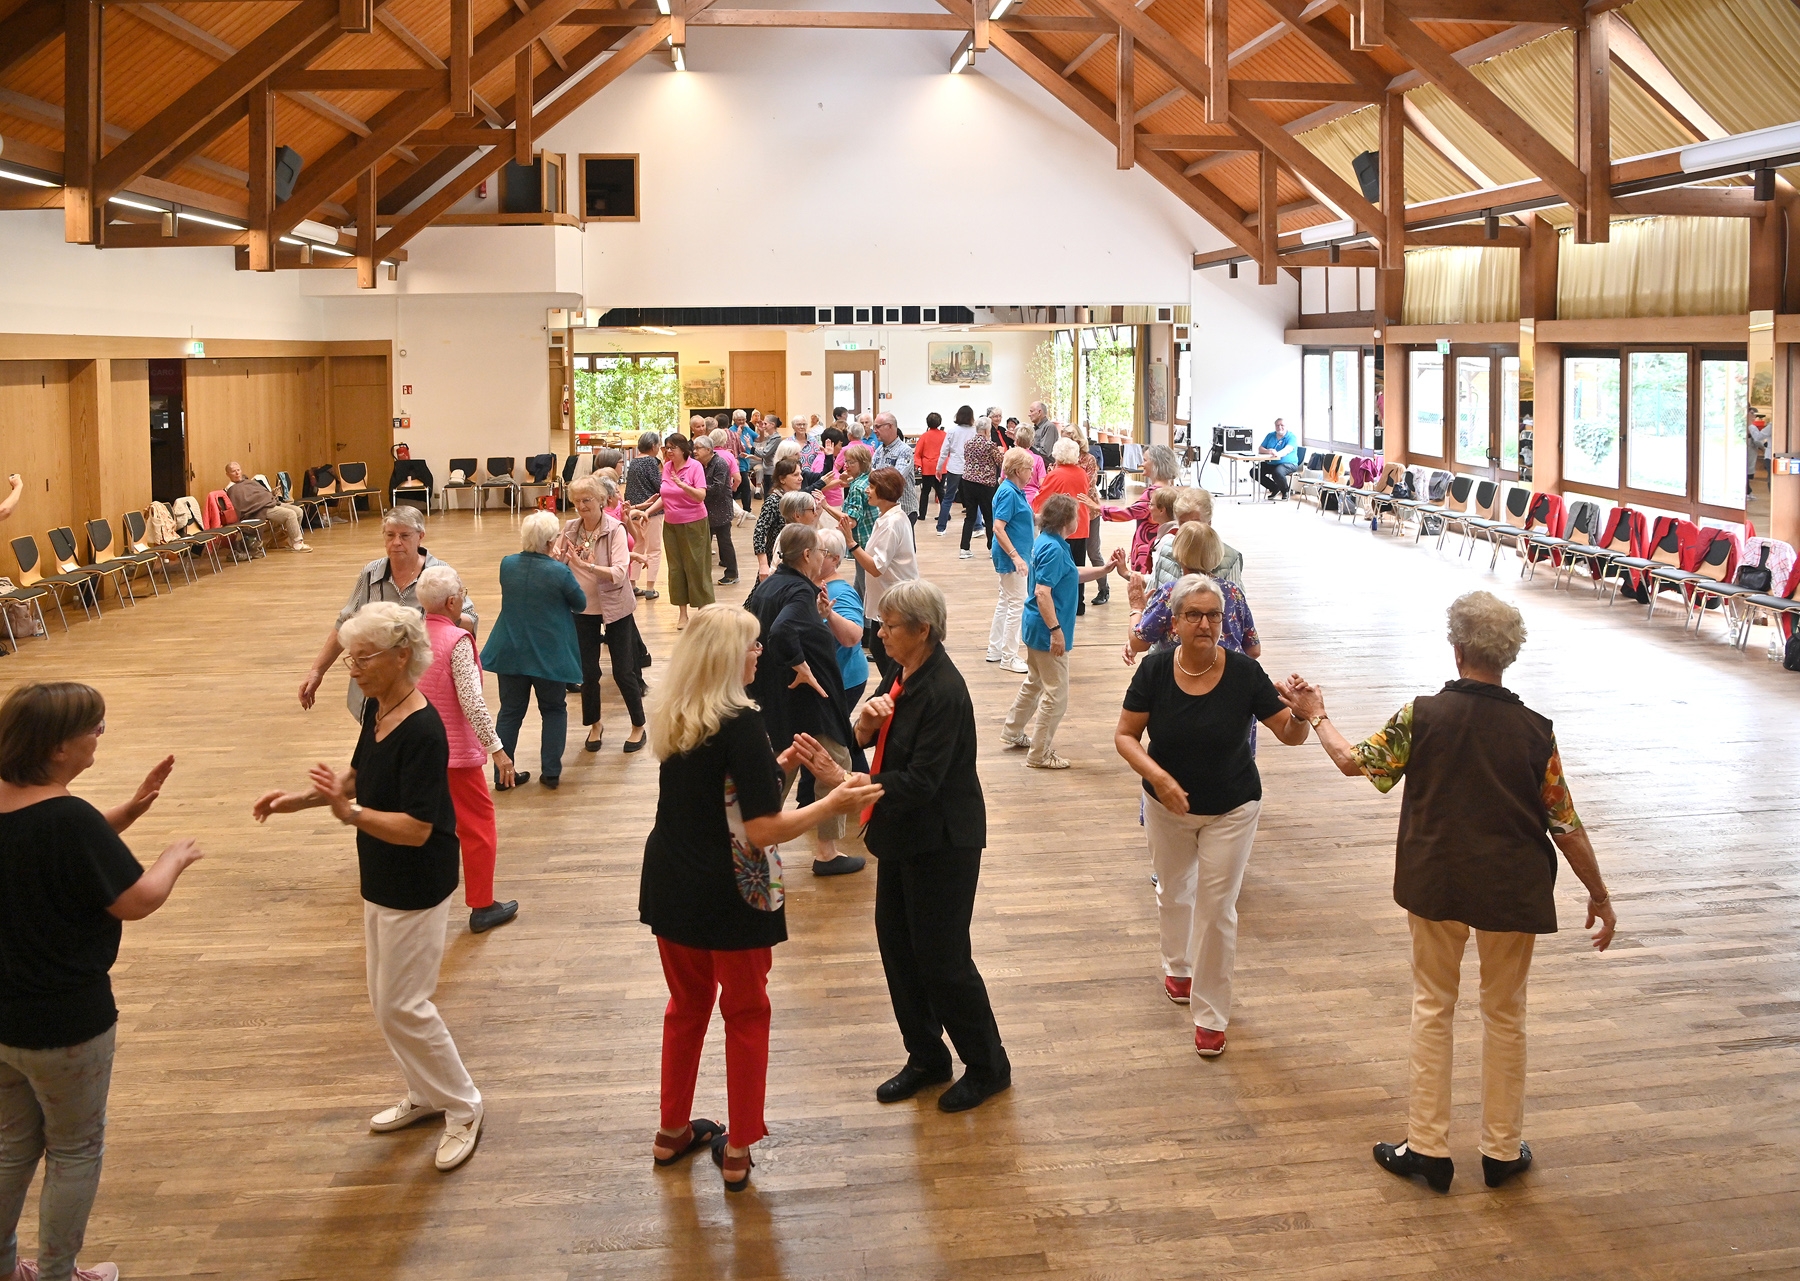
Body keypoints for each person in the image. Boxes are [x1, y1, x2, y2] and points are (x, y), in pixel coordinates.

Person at [1277, 591, 1616, 1194]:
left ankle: (1428, 1149)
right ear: (1507, 656)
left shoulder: (1422, 715)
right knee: (1506, 1014)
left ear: (1457, 649)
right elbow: (1565, 824)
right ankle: (1502, 1151)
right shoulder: (1536, 732)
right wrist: (1599, 894)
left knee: (1433, 1006)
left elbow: (1354, 763)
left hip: (1437, 879)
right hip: (1512, 889)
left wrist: (1316, 712)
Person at [640, 605, 879, 1194]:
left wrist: (774, 766)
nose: (759, 653)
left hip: (672, 883)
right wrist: (831, 803)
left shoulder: (678, 712)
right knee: (746, 1014)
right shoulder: (741, 722)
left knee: (685, 1007)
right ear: (727, 657)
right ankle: (739, 1147)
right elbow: (763, 828)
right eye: (750, 645)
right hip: (733, 893)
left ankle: (671, 1131)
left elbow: (716, 792)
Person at [255, 603, 484, 1173]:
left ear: (401, 656)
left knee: (406, 1003)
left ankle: (464, 1105)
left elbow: (418, 828)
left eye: (363, 658)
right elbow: (357, 777)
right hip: (381, 874)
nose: (352, 669)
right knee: (386, 1004)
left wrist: (349, 814)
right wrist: (297, 801)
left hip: (418, 881)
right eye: (350, 658)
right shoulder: (379, 710)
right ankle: (425, 1092)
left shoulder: (424, 730)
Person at [0, 683, 200, 1281]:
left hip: (4, 1019)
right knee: (74, 1149)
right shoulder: (70, 819)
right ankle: (59, 1275)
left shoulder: (25, 808)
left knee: (11, 1146)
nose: (100, 736)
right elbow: (135, 900)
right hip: (67, 1023)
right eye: (93, 727)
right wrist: (173, 857)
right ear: (58, 748)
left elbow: (47, 847)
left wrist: (128, 812)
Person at [1112, 575, 1312, 1058]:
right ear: (1175, 622)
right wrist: (1159, 778)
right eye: (1195, 615)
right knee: (1173, 891)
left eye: (1214, 616)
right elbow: (1125, 736)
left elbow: (1290, 735)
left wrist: (1303, 714)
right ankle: (1177, 966)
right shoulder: (1155, 670)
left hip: (1233, 807)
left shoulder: (1244, 673)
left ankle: (1210, 1015)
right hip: (1167, 808)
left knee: (1218, 909)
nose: (1205, 624)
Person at [856, 580, 1010, 1113]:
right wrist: (863, 728)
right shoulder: (902, 670)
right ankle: (926, 1057)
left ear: (923, 630)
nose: (880, 634)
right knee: (899, 951)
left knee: (943, 960)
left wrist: (851, 783)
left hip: (943, 841)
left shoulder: (945, 691)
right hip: (901, 834)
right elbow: (877, 738)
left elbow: (922, 781)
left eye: (890, 626)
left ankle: (988, 1066)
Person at [744, 523, 866, 877]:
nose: (823, 558)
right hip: (807, 699)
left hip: (778, 695)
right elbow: (782, 631)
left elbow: (759, 625)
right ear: (808, 554)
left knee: (785, 764)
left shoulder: (770, 585)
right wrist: (801, 666)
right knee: (832, 762)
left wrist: (819, 615)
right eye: (821, 552)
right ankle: (826, 853)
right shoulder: (799, 590)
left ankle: (755, 841)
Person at [415, 566, 519, 934]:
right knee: (477, 826)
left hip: (418, 749)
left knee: (426, 825)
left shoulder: (411, 636)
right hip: (455, 754)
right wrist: (497, 749)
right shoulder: (458, 641)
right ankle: (482, 904)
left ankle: (422, 902)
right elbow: (471, 700)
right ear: (451, 602)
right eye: (462, 592)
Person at [299, 506, 476, 718]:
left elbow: (470, 620)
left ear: (420, 536)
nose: (396, 542)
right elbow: (344, 624)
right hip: (375, 688)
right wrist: (317, 671)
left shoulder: (441, 574)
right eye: (390, 535)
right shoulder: (370, 573)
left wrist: (441, 617)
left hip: (423, 686)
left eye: (404, 536)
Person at [1001, 494, 1122, 769]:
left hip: (1035, 625)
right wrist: (1056, 631)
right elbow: (1042, 593)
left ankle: (1012, 730)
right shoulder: (1054, 548)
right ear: (1067, 520)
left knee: (1035, 682)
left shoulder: (1050, 542)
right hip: (1046, 629)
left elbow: (1069, 574)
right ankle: (1039, 754)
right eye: (1076, 515)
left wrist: (1103, 569)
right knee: (1056, 696)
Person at [481, 511, 586, 790]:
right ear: (551, 541)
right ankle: (550, 772)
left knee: (510, 712)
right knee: (553, 709)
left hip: (510, 650)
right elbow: (580, 603)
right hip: (547, 655)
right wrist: (562, 566)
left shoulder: (507, 564)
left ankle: (502, 776)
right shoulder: (559, 572)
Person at [556, 477, 649, 755]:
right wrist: (557, 558)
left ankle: (638, 725)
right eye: (576, 501)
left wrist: (587, 565)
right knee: (588, 672)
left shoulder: (614, 529)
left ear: (600, 501)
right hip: (581, 609)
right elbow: (559, 563)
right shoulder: (570, 529)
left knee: (623, 671)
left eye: (587, 500)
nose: (581, 506)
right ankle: (594, 725)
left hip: (615, 607)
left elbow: (619, 573)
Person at [1128, 523, 1258, 664]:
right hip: (1231, 671)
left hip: (1185, 671)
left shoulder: (1171, 593)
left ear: (1178, 553)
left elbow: (1138, 643)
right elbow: (1254, 650)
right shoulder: (1234, 591)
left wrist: (1136, 608)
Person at [844, 467, 916, 680]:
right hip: (887, 599)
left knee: (889, 657)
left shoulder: (892, 523)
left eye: (872, 486)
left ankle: (896, 693)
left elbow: (876, 567)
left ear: (884, 490)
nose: (867, 490)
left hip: (895, 600)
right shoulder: (887, 517)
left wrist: (851, 543)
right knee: (879, 648)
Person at [1031, 437, 1103, 616]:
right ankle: (1079, 604)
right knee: (1078, 565)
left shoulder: (1055, 474)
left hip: (1061, 527)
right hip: (1080, 523)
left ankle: (1060, 604)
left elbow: (1043, 500)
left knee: (1060, 567)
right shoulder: (1081, 473)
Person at [985, 447, 1036, 674]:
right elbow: (998, 527)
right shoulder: (1008, 492)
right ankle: (1009, 656)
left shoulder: (1015, 491)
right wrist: (1016, 556)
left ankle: (996, 649)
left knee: (1006, 601)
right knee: (1017, 604)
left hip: (1015, 555)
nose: (1031, 473)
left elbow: (1025, 520)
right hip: (1012, 557)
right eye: (1029, 469)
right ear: (1017, 470)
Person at [1102, 444, 1181, 574]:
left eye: (1145, 460)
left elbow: (1130, 513)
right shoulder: (1171, 490)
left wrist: (1100, 509)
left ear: (1156, 464)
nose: (1141, 464)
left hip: (1149, 549)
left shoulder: (1152, 493)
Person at [813, 527, 868, 707]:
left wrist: (829, 614)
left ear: (835, 559)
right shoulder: (815, 583)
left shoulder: (842, 593)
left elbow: (852, 637)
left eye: (820, 552)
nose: (811, 556)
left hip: (843, 680)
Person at [1152, 489, 1244, 587]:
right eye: (1183, 524)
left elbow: (1235, 595)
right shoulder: (1166, 549)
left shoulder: (1231, 557)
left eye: (1196, 523)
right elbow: (1153, 589)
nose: (1190, 530)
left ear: (1209, 523)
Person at [224, 461, 310, 552]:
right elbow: (244, 504)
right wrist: (263, 501)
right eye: (233, 471)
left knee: (299, 511)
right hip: (260, 509)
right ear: (227, 474)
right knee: (290, 514)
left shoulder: (247, 482)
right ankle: (297, 544)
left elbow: (260, 493)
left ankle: (284, 540)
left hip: (268, 503)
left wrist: (271, 494)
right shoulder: (232, 489)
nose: (237, 473)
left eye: (238, 470)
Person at [693, 434, 741, 587]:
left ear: (708, 450)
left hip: (721, 509)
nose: (695, 451)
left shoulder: (719, 463)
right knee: (703, 543)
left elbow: (717, 487)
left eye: (698, 448)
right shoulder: (700, 464)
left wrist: (697, 489)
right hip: (706, 509)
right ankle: (702, 575)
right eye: (694, 448)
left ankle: (732, 574)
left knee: (724, 543)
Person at [625, 432, 665, 600]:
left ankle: (633, 584)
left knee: (638, 546)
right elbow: (660, 486)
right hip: (651, 512)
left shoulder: (634, 462)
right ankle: (650, 588)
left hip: (634, 512)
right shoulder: (651, 462)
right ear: (654, 446)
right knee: (654, 549)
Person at [957, 421, 1003, 559]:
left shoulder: (968, 443)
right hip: (985, 484)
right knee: (989, 517)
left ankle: (964, 548)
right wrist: (1001, 452)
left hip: (968, 482)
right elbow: (1000, 462)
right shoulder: (990, 445)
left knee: (970, 516)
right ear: (987, 430)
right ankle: (991, 548)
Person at [753, 459, 804, 581]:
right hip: (776, 564)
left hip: (795, 561)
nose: (801, 478)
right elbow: (759, 533)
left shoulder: (797, 499)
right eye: (795, 475)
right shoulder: (773, 501)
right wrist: (763, 564)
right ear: (782, 479)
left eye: (800, 474)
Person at [867, 414, 918, 527]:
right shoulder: (879, 451)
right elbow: (871, 476)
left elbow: (895, 479)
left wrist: (874, 476)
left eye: (877, 427)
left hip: (904, 509)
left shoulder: (904, 450)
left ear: (889, 426)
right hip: (885, 510)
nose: (874, 431)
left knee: (903, 539)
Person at [935, 406, 976, 536]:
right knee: (973, 499)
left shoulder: (952, 431)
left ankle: (941, 528)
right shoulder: (974, 431)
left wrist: (938, 468)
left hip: (954, 468)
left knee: (948, 498)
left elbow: (944, 452)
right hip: (970, 469)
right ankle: (978, 526)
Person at [1254, 417, 1302, 499]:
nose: (1279, 427)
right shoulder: (1270, 435)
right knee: (1255, 472)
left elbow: (1288, 449)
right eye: (1277, 425)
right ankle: (1274, 488)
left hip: (1289, 464)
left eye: (1282, 425)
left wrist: (1277, 454)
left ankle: (1285, 491)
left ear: (1286, 426)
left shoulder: (1291, 437)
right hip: (1271, 463)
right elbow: (1260, 449)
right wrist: (1269, 451)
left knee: (1277, 472)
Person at [914, 412, 948, 525]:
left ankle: (922, 514)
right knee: (941, 491)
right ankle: (946, 514)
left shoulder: (924, 436)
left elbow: (918, 452)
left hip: (928, 467)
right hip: (941, 467)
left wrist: (918, 465)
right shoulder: (944, 435)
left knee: (925, 491)